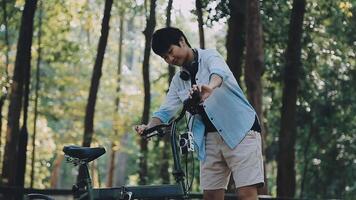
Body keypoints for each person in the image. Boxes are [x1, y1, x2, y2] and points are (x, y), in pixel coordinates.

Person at [135, 27, 264, 200]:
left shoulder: (210, 56)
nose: (170, 59)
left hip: (240, 130)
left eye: (171, 52)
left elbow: (219, 73)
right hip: (208, 139)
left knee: (246, 194)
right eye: (165, 57)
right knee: (210, 195)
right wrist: (148, 127)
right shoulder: (178, 81)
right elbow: (165, 111)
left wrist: (209, 87)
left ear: (182, 41)